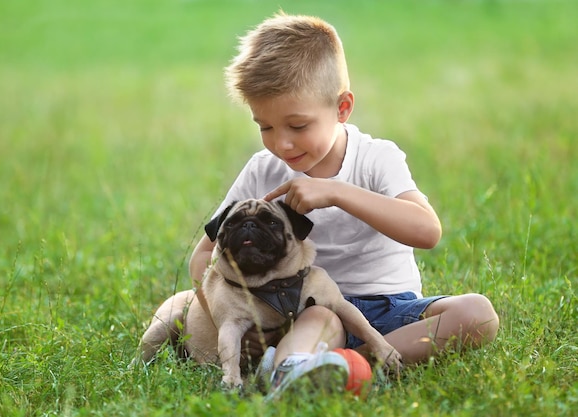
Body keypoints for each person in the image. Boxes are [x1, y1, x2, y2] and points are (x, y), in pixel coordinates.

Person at [188, 12, 499, 397]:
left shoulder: (377, 158)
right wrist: (231, 320)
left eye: (297, 126)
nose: (281, 143)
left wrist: (337, 192)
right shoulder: (262, 171)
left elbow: (427, 231)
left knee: (477, 313)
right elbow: (203, 259)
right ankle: (293, 373)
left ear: (342, 108)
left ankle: (353, 364)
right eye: (265, 127)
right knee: (320, 315)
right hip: (310, 311)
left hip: (392, 314)